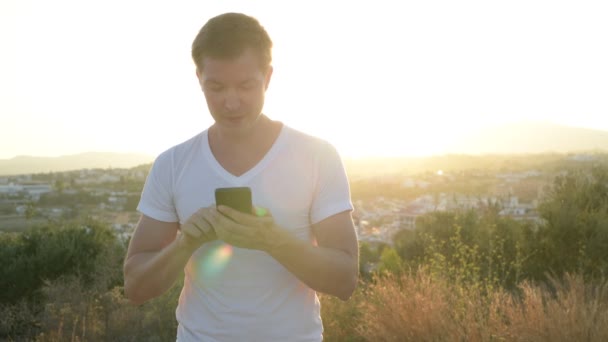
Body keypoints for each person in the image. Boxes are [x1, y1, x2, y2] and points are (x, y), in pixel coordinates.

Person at [123, 12, 359, 341]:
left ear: (268, 78)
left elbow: (345, 280)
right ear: (199, 80)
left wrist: (273, 240)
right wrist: (185, 243)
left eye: (246, 85)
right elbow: (135, 287)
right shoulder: (172, 164)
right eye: (216, 87)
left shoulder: (317, 156)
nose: (231, 102)